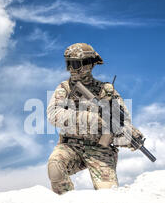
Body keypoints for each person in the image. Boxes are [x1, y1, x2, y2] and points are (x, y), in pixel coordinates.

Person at [46, 43, 143, 194]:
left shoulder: (107, 91)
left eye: (76, 64)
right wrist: (93, 120)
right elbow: (54, 115)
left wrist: (128, 137)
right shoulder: (65, 88)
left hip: (100, 150)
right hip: (70, 146)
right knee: (55, 166)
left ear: (89, 65)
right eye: (68, 64)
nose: (71, 69)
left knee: (108, 195)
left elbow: (121, 123)